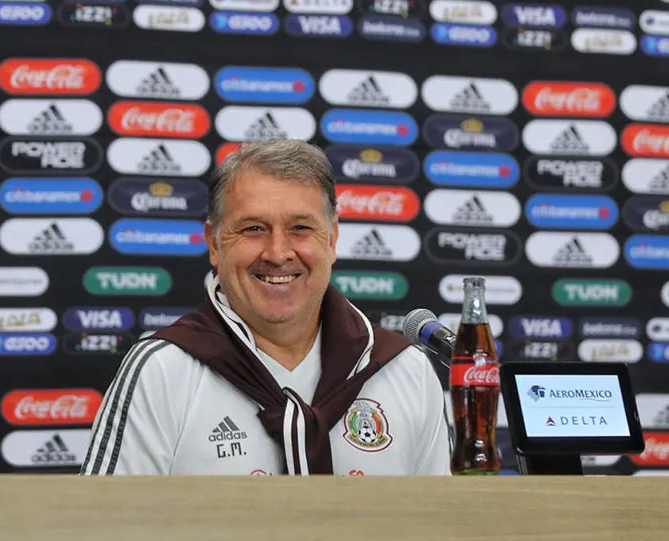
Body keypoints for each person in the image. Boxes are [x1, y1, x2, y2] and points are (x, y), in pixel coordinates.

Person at [80, 139, 451, 476]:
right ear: (214, 243)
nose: (277, 253)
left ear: (332, 239)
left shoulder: (407, 371)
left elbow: (445, 533)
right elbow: (100, 537)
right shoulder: (161, 370)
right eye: (254, 228)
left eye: (301, 228)